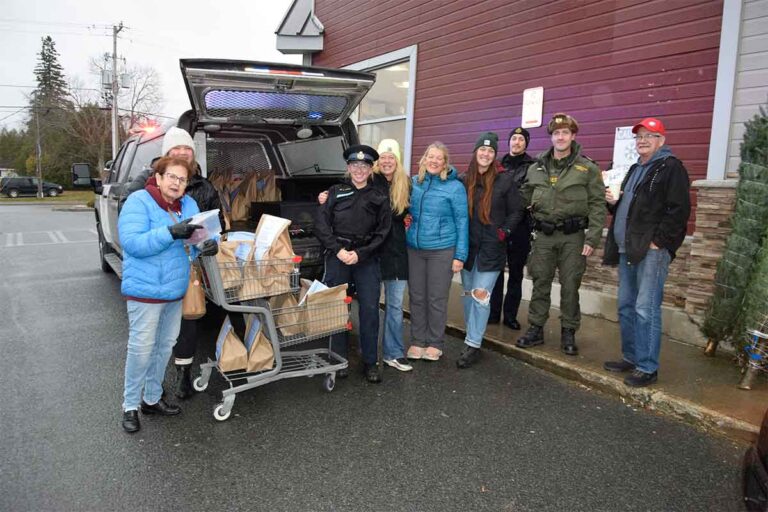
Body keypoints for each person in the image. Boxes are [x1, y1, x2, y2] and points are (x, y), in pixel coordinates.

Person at [118, 156, 217, 433]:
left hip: (174, 291)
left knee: (164, 346)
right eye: (171, 176)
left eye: (182, 179)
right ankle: (130, 405)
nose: (176, 183)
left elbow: (195, 240)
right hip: (146, 292)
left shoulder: (188, 204)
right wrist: (169, 232)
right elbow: (132, 243)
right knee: (141, 348)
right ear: (158, 177)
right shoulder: (139, 201)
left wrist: (206, 246)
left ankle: (151, 398)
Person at [602, 117, 691, 387]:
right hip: (627, 248)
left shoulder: (670, 167)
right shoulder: (634, 169)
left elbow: (679, 210)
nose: (642, 140)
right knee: (626, 306)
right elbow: (628, 210)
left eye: (649, 136)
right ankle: (631, 357)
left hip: (651, 251)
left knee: (645, 308)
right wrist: (613, 203)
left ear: (661, 141)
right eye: (639, 136)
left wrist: (660, 242)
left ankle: (647, 366)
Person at [517, 113, 605, 356]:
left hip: (572, 236)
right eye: (556, 133)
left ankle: (568, 331)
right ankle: (536, 328)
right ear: (551, 137)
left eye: (565, 132)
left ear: (573, 136)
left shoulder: (587, 168)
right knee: (540, 282)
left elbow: (598, 204)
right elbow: (523, 196)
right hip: (543, 235)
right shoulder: (536, 167)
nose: (561, 137)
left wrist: (593, 237)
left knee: (570, 286)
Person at [313, 145, 392, 383]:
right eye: (355, 165)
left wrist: (360, 253)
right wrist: (338, 250)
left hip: (365, 259)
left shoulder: (379, 197)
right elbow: (321, 224)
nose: (359, 170)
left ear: (370, 169)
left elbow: (383, 232)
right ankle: (338, 360)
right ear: (348, 167)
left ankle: (370, 361)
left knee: (369, 310)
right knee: (337, 309)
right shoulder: (335, 192)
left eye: (364, 166)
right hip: (338, 257)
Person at [457, 132, 524, 369]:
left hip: (492, 249)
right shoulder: (465, 179)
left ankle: (474, 343)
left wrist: (503, 232)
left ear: (495, 155)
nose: (485, 154)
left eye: (490, 151)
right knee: (468, 296)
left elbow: (517, 210)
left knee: (481, 297)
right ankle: (471, 335)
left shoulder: (505, 180)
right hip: (468, 249)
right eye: (482, 150)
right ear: (475, 153)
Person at [405, 142, 468, 362]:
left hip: (442, 250)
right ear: (423, 159)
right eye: (430, 156)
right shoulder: (413, 183)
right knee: (417, 297)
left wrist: (460, 255)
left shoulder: (455, 187)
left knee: (436, 298)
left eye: (438, 158)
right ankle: (417, 341)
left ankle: (435, 342)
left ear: (445, 163)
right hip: (414, 249)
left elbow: (462, 221)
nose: (433, 161)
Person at [489, 127, 535, 330]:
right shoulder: (497, 165)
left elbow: (528, 195)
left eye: (521, 139)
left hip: (521, 227)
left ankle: (510, 316)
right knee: (496, 272)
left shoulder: (533, 167)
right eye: (514, 139)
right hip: (499, 225)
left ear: (526, 143)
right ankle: (492, 312)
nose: (516, 142)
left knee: (516, 274)